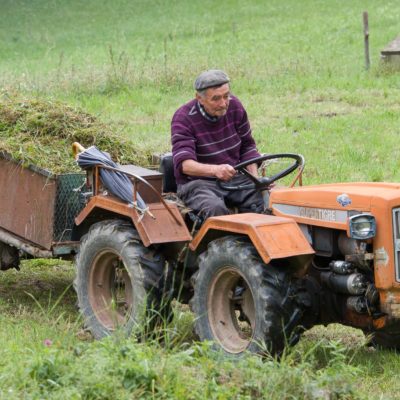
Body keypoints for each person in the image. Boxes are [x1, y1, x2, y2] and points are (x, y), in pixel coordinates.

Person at [171, 69, 264, 220]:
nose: (223, 104)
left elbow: (247, 147)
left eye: (226, 96)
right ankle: (219, 235)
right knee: (215, 209)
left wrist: (256, 179)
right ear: (199, 98)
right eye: (216, 99)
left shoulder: (235, 107)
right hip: (198, 183)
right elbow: (185, 165)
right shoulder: (183, 118)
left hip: (233, 179)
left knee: (266, 199)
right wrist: (216, 170)